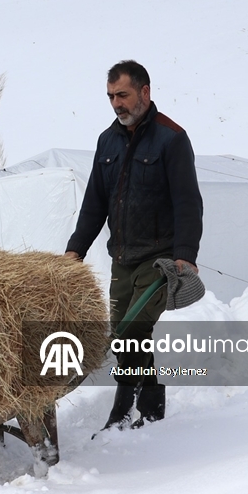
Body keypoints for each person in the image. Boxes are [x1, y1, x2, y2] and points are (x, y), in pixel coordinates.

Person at [64, 60, 203, 432]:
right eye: (110, 97)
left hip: (158, 258)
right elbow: (95, 201)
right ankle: (152, 405)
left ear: (145, 92)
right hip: (122, 258)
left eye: (122, 95)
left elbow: (188, 202)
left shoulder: (172, 139)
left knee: (133, 331)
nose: (116, 104)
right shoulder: (106, 141)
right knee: (124, 334)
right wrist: (75, 250)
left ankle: (123, 410)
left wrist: (185, 256)